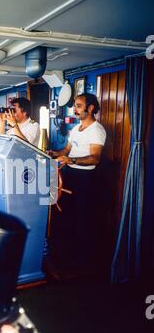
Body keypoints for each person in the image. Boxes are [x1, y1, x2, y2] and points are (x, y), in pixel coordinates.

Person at [48, 93, 107, 274]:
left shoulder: (97, 130)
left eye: (79, 105)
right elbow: (66, 149)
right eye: (75, 105)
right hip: (70, 175)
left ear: (90, 108)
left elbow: (95, 158)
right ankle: (68, 254)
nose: (75, 108)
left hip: (85, 179)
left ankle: (82, 261)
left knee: (83, 219)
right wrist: (53, 153)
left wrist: (72, 161)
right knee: (68, 215)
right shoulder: (76, 128)